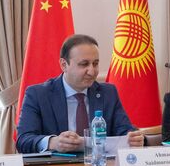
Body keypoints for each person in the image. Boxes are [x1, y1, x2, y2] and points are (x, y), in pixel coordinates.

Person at [16, 34, 144, 154]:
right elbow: (23, 140)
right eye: (84, 64)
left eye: (95, 64)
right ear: (64, 65)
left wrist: (133, 138)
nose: (92, 71)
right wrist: (53, 142)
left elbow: (125, 131)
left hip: (99, 165)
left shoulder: (108, 93)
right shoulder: (38, 95)